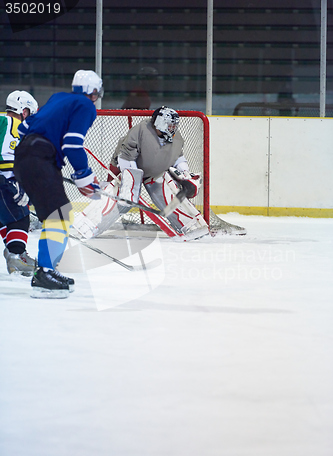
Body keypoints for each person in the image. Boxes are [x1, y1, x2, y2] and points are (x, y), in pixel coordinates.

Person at [13, 69, 103, 298]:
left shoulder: (57, 98)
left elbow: (23, 128)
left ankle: (47, 269)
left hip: (25, 157)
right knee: (60, 216)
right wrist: (84, 176)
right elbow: (72, 144)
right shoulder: (86, 105)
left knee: (57, 215)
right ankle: (44, 272)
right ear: (94, 91)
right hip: (40, 158)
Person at [73, 106, 208, 241]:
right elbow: (125, 156)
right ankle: (87, 225)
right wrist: (131, 181)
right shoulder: (141, 130)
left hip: (156, 174)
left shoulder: (176, 137)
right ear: (160, 123)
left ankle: (191, 225)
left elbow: (178, 157)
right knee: (123, 198)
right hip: (131, 169)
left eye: (174, 125)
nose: (173, 128)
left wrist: (184, 172)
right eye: (170, 125)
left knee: (170, 194)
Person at [0, 90, 38, 276]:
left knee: (3, 216)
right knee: (20, 216)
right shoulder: (11, 122)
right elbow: (6, 153)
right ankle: (15, 256)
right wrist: (15, 179)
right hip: (2, 177)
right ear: (23, 111)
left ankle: (17, 253)